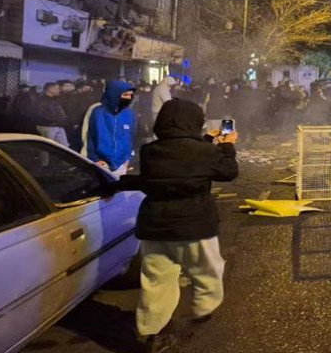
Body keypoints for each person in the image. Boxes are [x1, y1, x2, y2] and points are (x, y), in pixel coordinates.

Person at [117, 99, 239, 353]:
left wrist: (206, 141)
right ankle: (203, 309)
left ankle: (152, 330)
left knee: (156, 280)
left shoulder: (150, 151)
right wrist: (226, 147)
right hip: (195, 226)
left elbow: (180, 160)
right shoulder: (206, 153)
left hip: (155, 226)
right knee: (207, 271)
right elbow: (227, 172)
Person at [82, 80, 136, 178]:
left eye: (130, 95)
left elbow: (131, 137)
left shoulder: (129, 114)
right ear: (114, 94)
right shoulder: (97, 112)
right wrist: (94, 159)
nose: (129, 98)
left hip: (121, 164)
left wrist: (128, 159)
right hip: (101, 164)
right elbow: (88, 137)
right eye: (125, 95)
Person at [35, 82, 71, 147]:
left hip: (58, 125)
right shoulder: (42, 100)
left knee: (64, 146)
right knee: (46, 147)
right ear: (50, 89)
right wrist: (55, 120)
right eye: (57, 88)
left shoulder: (54, 99)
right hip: (47, 126)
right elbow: (40, 114)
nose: (59, 90)